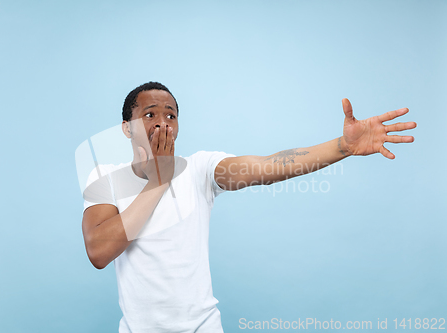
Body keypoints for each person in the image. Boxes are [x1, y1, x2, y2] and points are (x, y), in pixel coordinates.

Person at [81, 81, 416, 333]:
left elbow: (266, 168)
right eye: (149, 114)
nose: (162, 122)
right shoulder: (105, 179)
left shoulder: (200, 168)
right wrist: (158, 181)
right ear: (127, 128)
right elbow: (98, 252)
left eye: (171, 114)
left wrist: (342, 146)